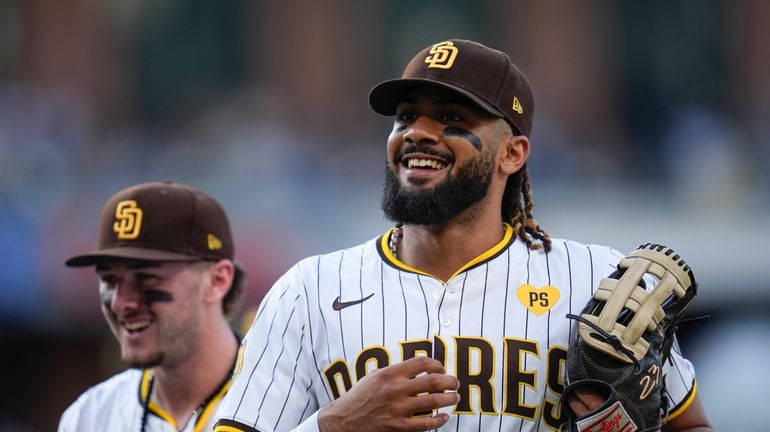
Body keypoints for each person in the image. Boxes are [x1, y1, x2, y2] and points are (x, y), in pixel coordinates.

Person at [213, 39, 712, 431]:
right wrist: (333, 426)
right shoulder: (308, 290)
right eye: (406, 117)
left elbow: (690, 426)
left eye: (451, 118)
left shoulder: (595, 279)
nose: (417, 132)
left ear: (512, 154)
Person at [58, 181, 246, 432]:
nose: (119, 302)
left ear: (217, 280)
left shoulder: (285, 403)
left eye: (146, 277)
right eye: (109, 280)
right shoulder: (90, 417)